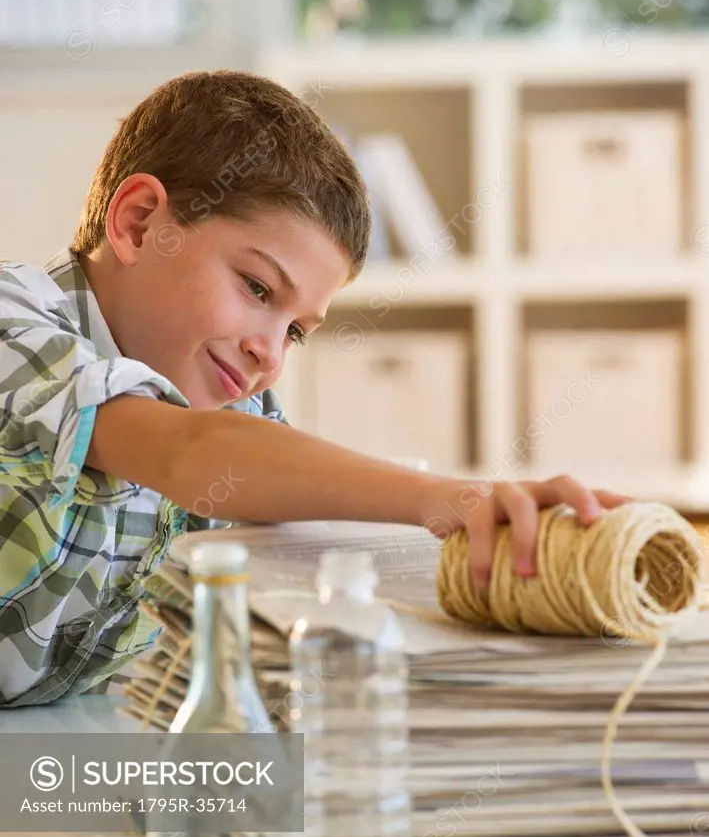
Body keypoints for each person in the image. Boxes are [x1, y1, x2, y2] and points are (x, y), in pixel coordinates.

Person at [0, 70, 629, 707]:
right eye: (257, 288)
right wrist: (454, 497)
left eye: (296, 331)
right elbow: (189, 454)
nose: (268, 354)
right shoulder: (13, 324)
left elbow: (296, 518)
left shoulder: (231, 400)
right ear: (137, 224)